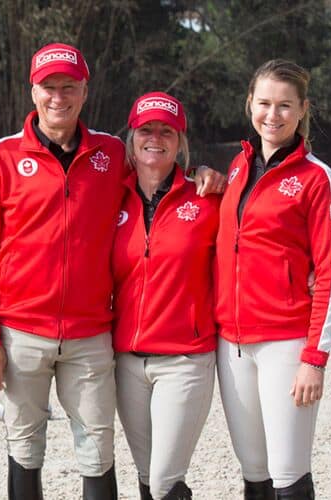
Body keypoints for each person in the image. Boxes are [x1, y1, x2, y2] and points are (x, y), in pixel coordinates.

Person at [0, 43, 224, 500]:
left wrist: (203, 171)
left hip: (90, 334)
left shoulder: (109, 154)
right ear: (33, 92)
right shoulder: (1, 158)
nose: (58, 97)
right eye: (49, 87)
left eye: (69, 87)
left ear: (85, 92)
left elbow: (157, 164)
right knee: (25, 447)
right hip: (22, 331)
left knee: (97, 448)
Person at [215, 59, 331, 499]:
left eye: (285, 105)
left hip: (285, 343)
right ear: (250, 103)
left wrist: (314, 357)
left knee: (287, 471)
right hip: (231, 343)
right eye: (264, 103)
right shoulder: (237, 166)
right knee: (254, 469)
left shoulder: (318, 180)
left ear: (303, 108)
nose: (273, 115)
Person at [112, 92, 219, 500]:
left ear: (180, 142)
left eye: (166, 131)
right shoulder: (112, 197)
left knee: (163, 482)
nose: (155, 137)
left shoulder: (207, 197)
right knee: (145, 475)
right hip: (127, 361)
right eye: (146, 129)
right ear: (132, 137)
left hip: (184, 359)